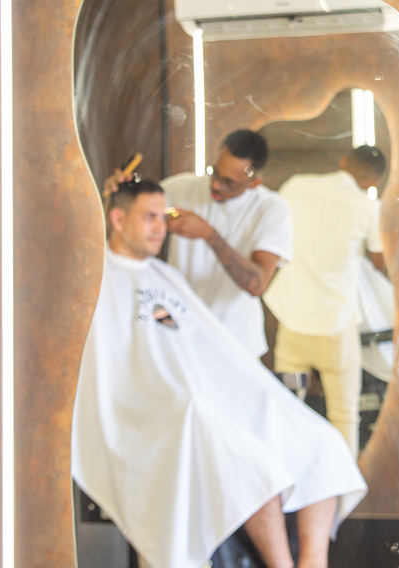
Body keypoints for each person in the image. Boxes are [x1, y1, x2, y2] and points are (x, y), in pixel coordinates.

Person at [72, 178, 366, 568]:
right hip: (162, 410)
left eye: (163, 217)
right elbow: (117, 370)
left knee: (321, 443)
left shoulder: (166, 276)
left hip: (212, 398)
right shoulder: (96, 279)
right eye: (149, 217)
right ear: (117, 218)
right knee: (251, 465)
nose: (160, 227)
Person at [105, 130, 292, 357]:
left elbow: (257, 285)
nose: (216, 185)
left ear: (254, 183)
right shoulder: (181, 188)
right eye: (214, 173)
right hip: (179, 335)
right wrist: (118, 193)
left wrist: (209, 235)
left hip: (234, 341)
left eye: (229, 183)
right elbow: (131, 216)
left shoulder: (272, 209)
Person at [263, 146, 388, 457]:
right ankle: (343, 487)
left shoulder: (296, 186)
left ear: (343, 162)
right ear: (373, 182)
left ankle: (288, 476)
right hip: (336, 333)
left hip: (292, 326)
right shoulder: (368, 207)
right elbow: (379, 261)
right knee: (344, 417)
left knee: (288, 408)